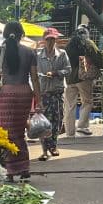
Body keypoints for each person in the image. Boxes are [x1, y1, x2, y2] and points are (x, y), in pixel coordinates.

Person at [0, 20, 41, 182]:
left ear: (5, 35)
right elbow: (34, 78)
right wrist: (38, 100)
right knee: (19, 131)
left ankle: (10, 171)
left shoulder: (1, 51)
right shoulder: (30, 52)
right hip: (25, 94)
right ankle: (24, 167)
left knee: (6, 133)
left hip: (7, 94)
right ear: (21, 35)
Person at [34, 28, 69, 161]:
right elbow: (33, 74)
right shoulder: (38, 55)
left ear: (56, 40)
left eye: (53, 39)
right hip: (44, 93)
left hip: (58, 92)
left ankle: (53, 146)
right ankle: (44, 150)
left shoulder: (62, 54)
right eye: (48, 39)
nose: (50, 42)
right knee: (43, 123)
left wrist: (56, 73)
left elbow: (68, 70)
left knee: (57, 121)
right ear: (44, 40)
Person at [63, 26, 102, 137]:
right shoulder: (88, 43)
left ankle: (69, 131)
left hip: (69, 78)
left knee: (70, 105)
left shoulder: (69, 45)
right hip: (83, 77)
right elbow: (98, 58)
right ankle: (82, 126)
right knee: (87, 101)